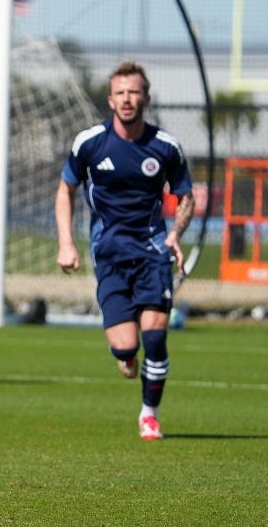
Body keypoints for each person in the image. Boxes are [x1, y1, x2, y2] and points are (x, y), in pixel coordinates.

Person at [54, 60, 194, 441]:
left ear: (146, 97)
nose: (127, 98)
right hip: (109, 254)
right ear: (110, 99)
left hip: (152, 252)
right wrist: (66, 243)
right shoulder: (89, 143)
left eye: (134, 92)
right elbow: (65, 191)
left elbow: (186, 197)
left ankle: (149, 414)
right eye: (120, 92)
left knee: (155, 337)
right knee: (126, 346)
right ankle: (126, 356)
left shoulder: (165, 147)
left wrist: (176, 234)